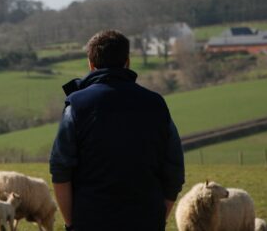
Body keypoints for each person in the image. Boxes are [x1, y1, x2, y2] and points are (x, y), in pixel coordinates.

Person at [49, 30, 185, 230]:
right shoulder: (156, 105)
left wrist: (72, 223)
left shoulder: (77, 106)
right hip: (145, 219)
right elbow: (174, 170)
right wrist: (157, 217)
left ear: (91, 64)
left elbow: (60, 168)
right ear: (127, 61)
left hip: (91, 221)